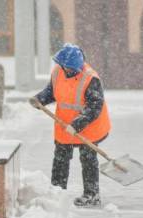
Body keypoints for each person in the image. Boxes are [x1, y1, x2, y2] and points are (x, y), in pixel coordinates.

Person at [29, 43, 111, 207]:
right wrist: (40, 99)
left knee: (88, 159)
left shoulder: (90, 78)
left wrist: (78, 123)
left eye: (73, 69)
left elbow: (95, 106)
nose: (70, 71)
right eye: (68, 68)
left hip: (89, 125)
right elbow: (51, 92)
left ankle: (92, 195)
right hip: (64, 124)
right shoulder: (58, 72)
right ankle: (57, 192)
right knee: (60, 158)